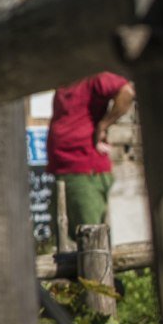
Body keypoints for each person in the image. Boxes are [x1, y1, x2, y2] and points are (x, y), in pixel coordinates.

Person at [47, 72, 135, 242]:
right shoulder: (65, 79)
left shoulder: (93, 74)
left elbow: (126, 91)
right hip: (63, 170)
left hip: (84, 171)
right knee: (65, 242)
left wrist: (104, 124)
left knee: (90, 241)